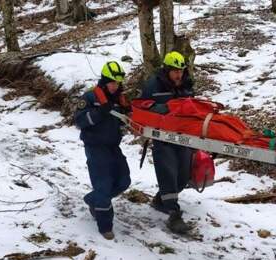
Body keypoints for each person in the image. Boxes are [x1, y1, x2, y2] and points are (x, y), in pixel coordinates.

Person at [74, 61, 131, 240]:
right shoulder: (90, 97)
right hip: (95, 147)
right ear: (105, 81)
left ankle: (93, 199)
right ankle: (105, 225)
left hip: (113, 146)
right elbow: (79, 121)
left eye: (118, 83)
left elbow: (123, 121)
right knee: (104, 185)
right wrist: (99, 113)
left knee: (124, 181)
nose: (115, 86)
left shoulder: (119, 99)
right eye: (112, 82)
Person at [140, 51, 194, 234]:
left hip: (184, 135)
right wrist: (164, 108)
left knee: (184, 175)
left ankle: (160, 200)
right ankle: (173, 213)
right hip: (163, 137)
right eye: (175, 71)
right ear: (167, 70)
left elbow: (192, 107)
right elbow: (142, 105)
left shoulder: (187, 84)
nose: (179, 75)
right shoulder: (153, 84)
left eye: (181, 71)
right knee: (168, 172)